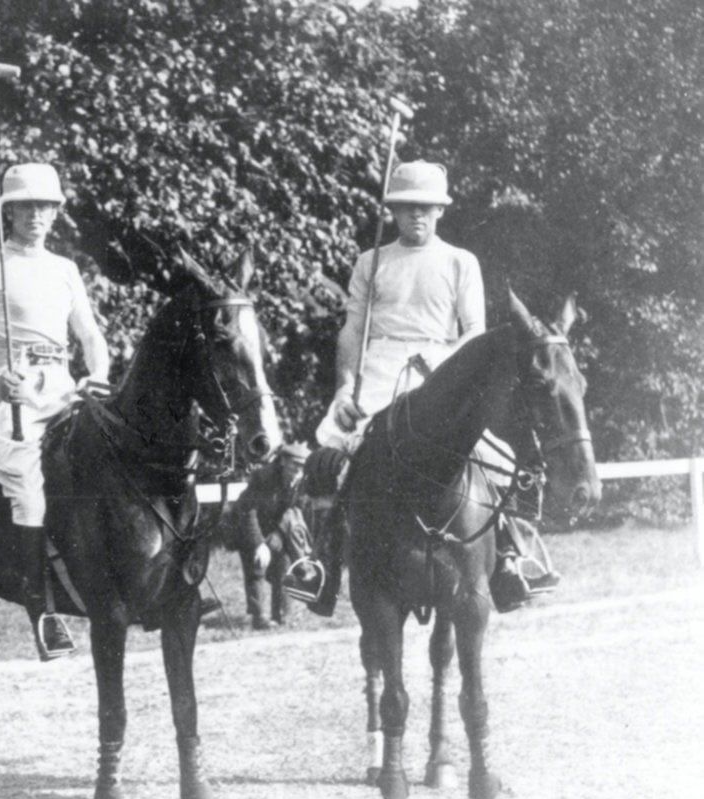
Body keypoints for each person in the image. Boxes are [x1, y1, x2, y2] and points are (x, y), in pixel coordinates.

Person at [292, 160, 557, 615]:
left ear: (440, 212)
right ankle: (323, 565)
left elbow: (474, 332)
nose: (417, 216)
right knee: (339, 452)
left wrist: (449, 370)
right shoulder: (370, 261)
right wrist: (344, 388)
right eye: (407, 207)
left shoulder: (460, 262)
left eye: (427, 208)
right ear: (393, 212)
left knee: (496, 455)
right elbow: (352, 331)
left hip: (445, 368)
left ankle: (512, 558)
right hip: (381, 372)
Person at [0, 162, 111, 661]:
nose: (36, 215)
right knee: (30, 491)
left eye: (45, 206)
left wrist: (95, 376)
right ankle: (42, 611)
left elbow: (90, 335)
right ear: (8, 212)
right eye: (26, 206)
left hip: (63, 391)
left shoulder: (65, 270)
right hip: (8, 398)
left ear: (55, 213)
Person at [222, 442, 312, 630]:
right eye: (295, 464)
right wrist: (259, 545)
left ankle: (282, 615)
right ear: (283, 461)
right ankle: (259, 616)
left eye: (302, 466)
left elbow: (301, 509)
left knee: (284, 564)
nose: (298, 469)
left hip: (277, 528)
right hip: (247, 527)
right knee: (257, 568)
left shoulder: (301, 481)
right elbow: (249, 511)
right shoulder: (263, 477)